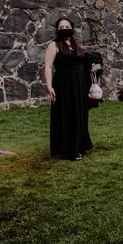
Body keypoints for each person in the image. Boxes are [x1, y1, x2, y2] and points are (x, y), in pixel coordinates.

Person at [43, 17, 94, 161]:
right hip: (64, 86)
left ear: (72, 27)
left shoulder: (76, 44)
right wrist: (49, 85)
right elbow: (47, 66)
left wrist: (96, 70)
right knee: (68, 115)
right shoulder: (54, 45)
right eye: (61, 27)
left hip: (79, 86)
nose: (64, 28)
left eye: (66, 26)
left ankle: (80, 145)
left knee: (80, 114)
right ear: (57, 30)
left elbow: (86, 63)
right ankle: (70, 150)